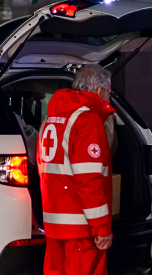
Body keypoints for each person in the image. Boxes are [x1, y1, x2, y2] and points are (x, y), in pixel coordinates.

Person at [37, 65, 117, 275]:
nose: (109, 97)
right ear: (99, 91)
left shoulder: (50, 119)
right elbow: (89, 180)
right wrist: (102, 228)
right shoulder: (87, 120)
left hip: (54, 223)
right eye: (109, 91)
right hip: (80, 226)